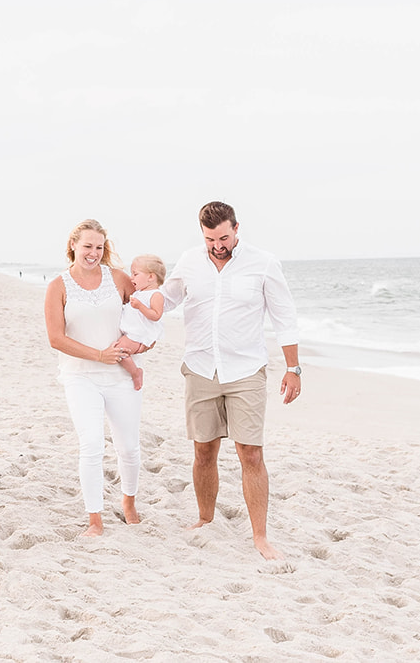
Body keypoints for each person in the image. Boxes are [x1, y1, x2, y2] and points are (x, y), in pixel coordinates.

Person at [161, 201, 302, 560]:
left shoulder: (264, 263)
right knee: (203, 451)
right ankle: (205, 519)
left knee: (250, 454)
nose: (218, 245)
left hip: (245, 372)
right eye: (210, 239)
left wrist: (293, 368)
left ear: (236, 229)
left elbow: (284, 316)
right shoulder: (190, 261)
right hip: (201, 368)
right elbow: (166, 301)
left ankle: (260, 537)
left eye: (224, 237)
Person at [44, 219, 144, 537]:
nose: (93, 253)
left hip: (120, 375)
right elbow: (56, 339)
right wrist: (98, 355)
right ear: (73, 245)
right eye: (87, 246)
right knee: (91, 444)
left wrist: (144, 343)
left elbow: (146, 314)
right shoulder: (58, 286)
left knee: (128, 447)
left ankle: (128, 503)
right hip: (80, 376)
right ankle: (95, 520)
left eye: (99, 247)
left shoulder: (118, 279)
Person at [113, 254, 167, 390]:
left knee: (119, 351)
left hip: (138, 335)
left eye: (135, 274)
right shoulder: (139, 293)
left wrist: (140, 306)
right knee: (119, 350)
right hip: (131, 332)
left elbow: (156, 315)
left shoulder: (156, 295)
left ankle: (135, 372)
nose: (131, 278)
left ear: (151, 277)